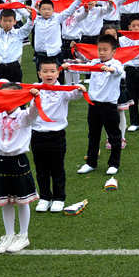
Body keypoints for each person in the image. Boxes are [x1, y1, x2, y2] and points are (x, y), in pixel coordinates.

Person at [0, 83, 41, 253]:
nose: (5, 101)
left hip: (18, 161)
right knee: (4, 201)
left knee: (22, 201)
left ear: (18, 99)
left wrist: (35, 99)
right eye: (2, 97)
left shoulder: (24, 116)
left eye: (10, 97)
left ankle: (23, 235)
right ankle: (9, 235)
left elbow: (34, 113)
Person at [30, 58, 88, 213]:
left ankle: (59, 198)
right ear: (39, 73)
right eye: (45, 71)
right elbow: (20, 97)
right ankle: (44, 198)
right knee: (41, 169)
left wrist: (80, 89)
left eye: (52, 71)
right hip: (37, 135)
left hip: (57, 136)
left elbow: (75, 94)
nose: (49, 74)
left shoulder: (63, 90)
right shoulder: (34, 89)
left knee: (57, 169)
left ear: (58, 73)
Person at [64, 34, 125, 175]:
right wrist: (69, 67)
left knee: (114, 135)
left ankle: (114, 164)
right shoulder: (94, 62)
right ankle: (91, 162)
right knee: (93, 134)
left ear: (113, 51)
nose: (102, 53)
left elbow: (119, 71)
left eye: (105, 50)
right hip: (93, 105)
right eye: (100, 50)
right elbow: (83, 67)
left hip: (109, 106)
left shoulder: (116, 64)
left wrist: (110, 69)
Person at [0, 7, 34, 82]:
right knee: (0, 90)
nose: (7, 23)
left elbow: (28, 26)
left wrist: (31, 16)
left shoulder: (19, 33)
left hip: (14, 66)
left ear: (15, 22)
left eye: (10, 21)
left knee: (15, 89)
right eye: (5, 21)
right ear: (0, 21)